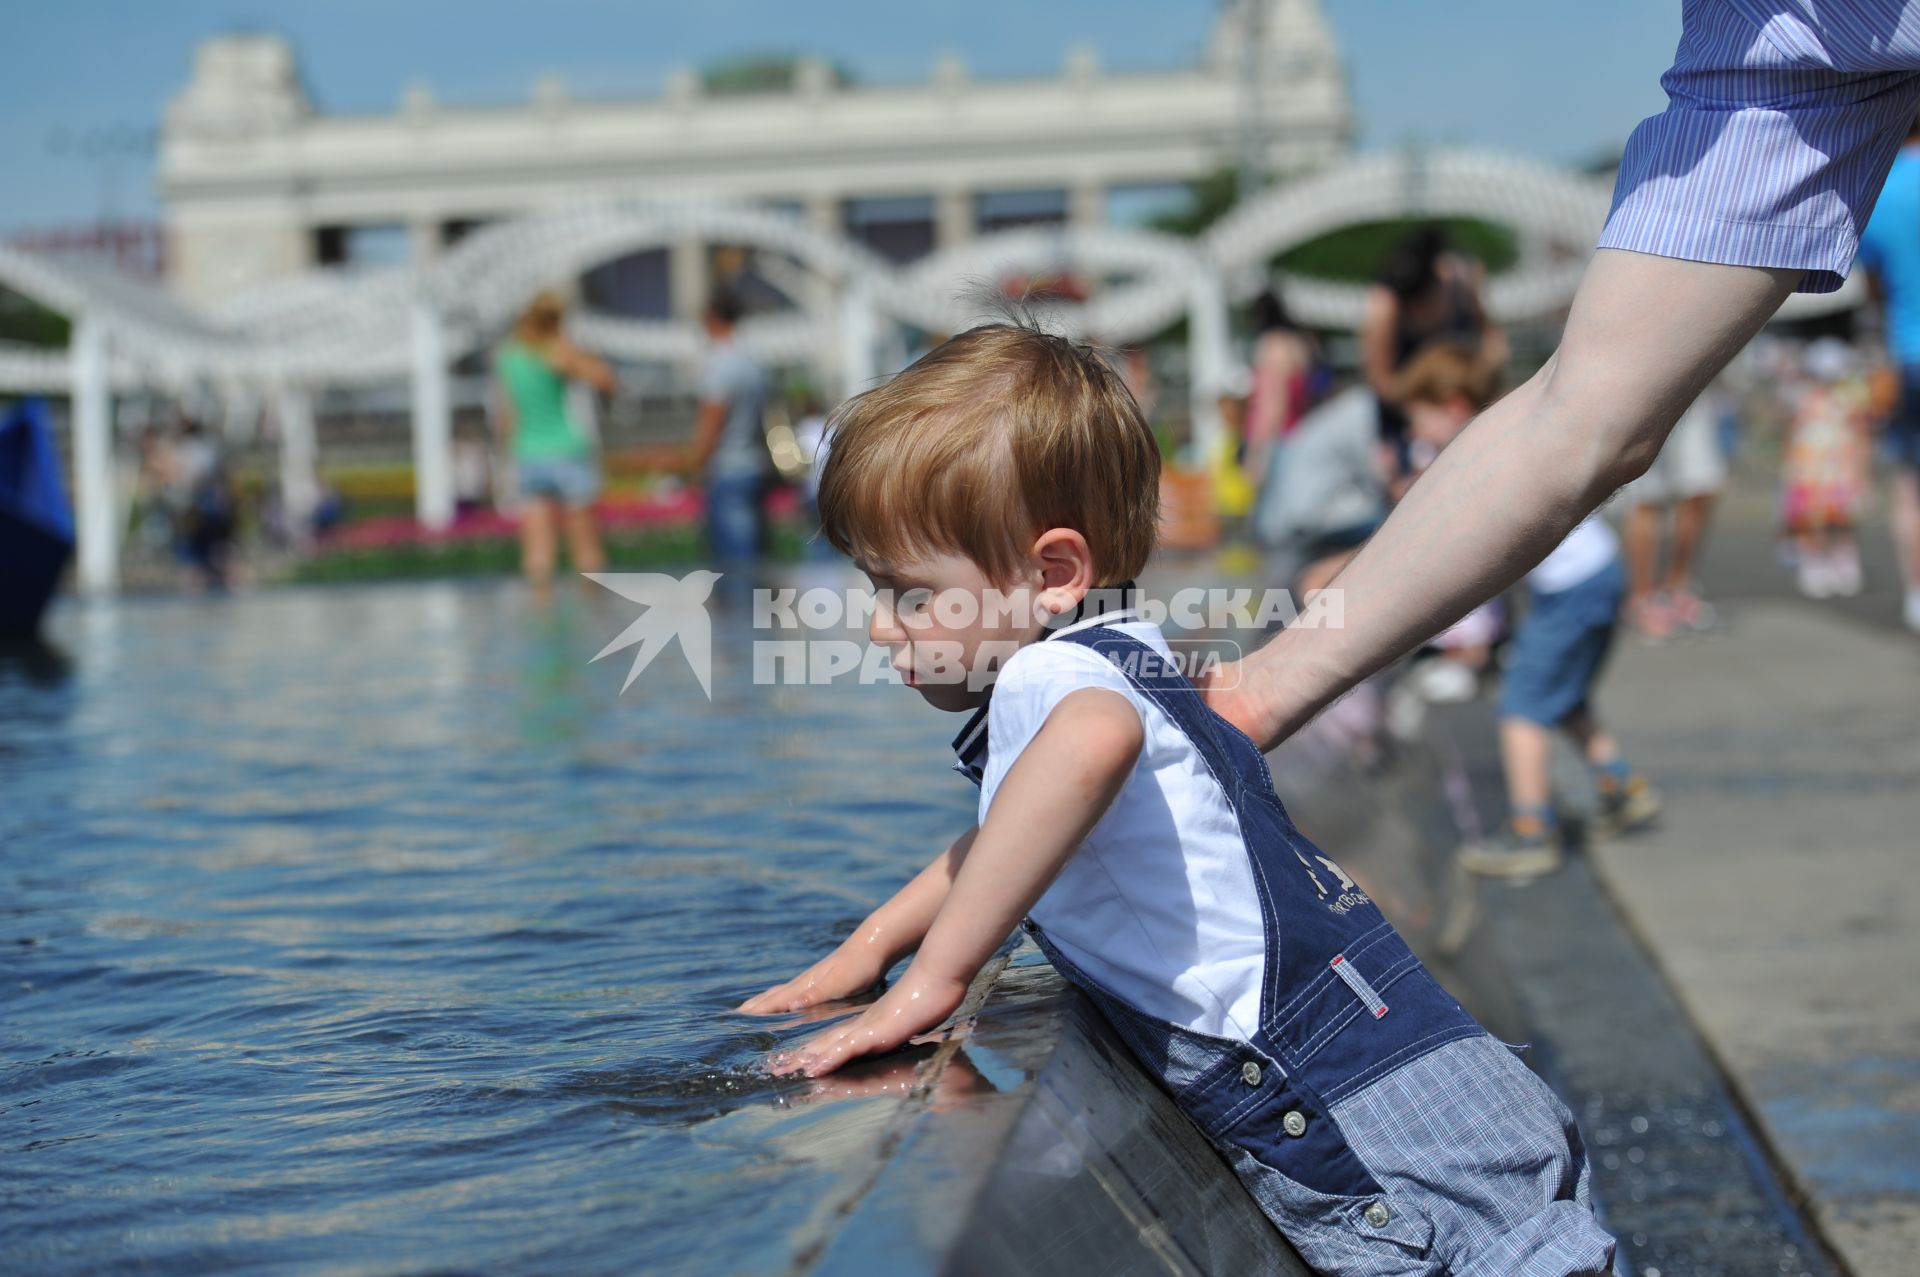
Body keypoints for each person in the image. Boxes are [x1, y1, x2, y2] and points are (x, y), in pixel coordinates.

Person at [742, 323, 1615, 1276]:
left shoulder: (1048, 687)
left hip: (1343, 1103)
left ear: (1052, 574)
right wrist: (872, 942)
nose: (880, 629)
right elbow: (1007, 837)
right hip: (1403, 1060)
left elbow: (1087, 750)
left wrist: (930, 981)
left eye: (908, 593)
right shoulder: (1128, 654)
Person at [1202, 4, 1920, 755]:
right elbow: (1575, 417)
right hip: (1432, 406)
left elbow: (1562, 413)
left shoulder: (1777, 40)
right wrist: (1255, 694)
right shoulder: (1769, 38)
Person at [1382, 346, 1660, 878]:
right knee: (1565, 692)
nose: (1416, 435)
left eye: (1418, 419)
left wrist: (1472, 631)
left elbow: (1479, 556)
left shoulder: (1477, 458)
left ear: (1452, 405)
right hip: (1599, 571)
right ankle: (1620, 786)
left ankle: (1532, 830)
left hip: (1572, 588)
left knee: (1521, 706)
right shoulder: (1502, 438)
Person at [633, 289, 774, 563]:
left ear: (712, 318)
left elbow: (711, 422)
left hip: (728, 469)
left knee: (735, 568)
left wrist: (693, 465)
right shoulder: (755, 362)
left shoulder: (721, 365)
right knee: (757, 563)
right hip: (754, 465)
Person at [494, 291, 614, 590]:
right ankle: (593, 624)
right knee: (587, 554)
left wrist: (504, 459)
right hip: (567, 451)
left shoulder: (509, 356)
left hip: (528, 455)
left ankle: (541, 625)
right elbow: (606, 380)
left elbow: (505, 417)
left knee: (537, 557)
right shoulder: (558, 351)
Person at [1359, 224, 1507, 457]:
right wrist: (1425, 401)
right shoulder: (1386, 304)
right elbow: (1381, 380)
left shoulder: (1460, 286)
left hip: (1461, 401)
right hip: (1411, 415)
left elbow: (1493, 341)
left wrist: (1476, 380)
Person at [1855, 110, 1920, 631]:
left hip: (1909, 352)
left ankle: (1917, 595)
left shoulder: (1882, 188)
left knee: (1909, 482)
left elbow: (1872, 286)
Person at [1617, 392, 1728, 641]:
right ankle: (1642, 600)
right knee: (1645, 497)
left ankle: (1678, 588)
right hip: (1646, 385)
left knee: (1702, 487)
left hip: (1695, 385)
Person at [1780, 339, 1875, 599]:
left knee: (1842, 521)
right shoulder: (1802, 398)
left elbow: (1862, 437)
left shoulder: (1849, 400)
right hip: (1810, 473)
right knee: (1813, 521)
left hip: (1840, 471)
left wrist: (1863, 474)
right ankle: (1815, 563)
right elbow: (1791, 435)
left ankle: (1843, 563)